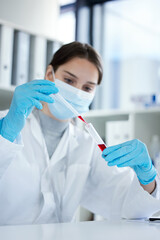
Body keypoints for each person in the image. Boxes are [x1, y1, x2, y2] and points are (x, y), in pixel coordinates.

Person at [0, 41, 160, 225]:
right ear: (49, 75)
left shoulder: (86, 145)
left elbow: (127, 206)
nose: (77, 92)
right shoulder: (6, 124)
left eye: (87, 88)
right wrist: (5, 136)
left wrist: (147, 178)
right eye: (69, 80)